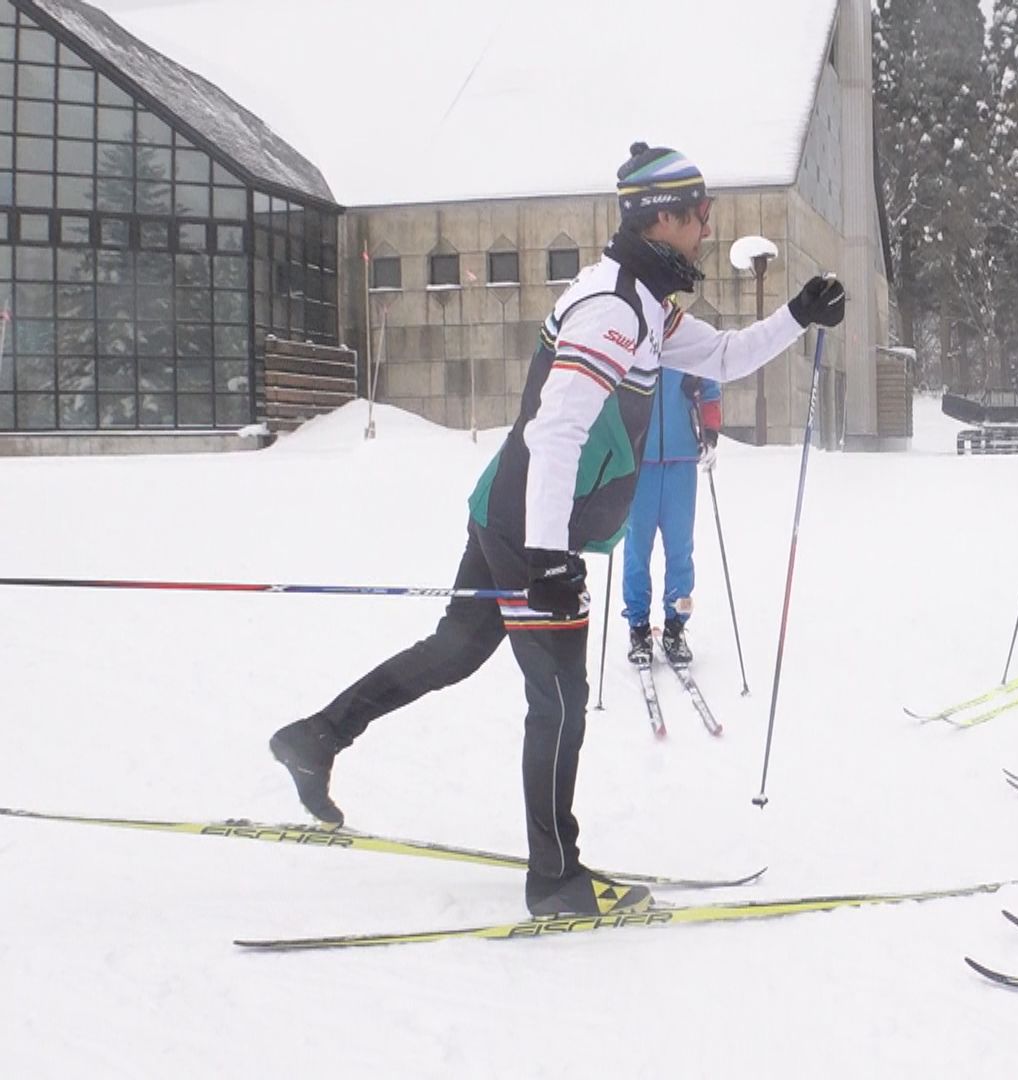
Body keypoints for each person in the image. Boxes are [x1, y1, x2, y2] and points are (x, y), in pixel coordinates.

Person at [268, 142, 846, 918]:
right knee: (562, 700)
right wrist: (547, 557)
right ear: (661, 218)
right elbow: (556, 433)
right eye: (700, 215)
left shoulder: (642, 303)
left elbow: (723, 355)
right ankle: (556, 879)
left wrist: (796, 315)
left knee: (457, 651)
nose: (708, 228)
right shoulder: (611, 311)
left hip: (511, 510)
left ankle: (317, 737)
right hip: (531, 528)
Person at [623, 362, 723, 668]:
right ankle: (638, 626)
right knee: (637, 547)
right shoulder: (635, 337)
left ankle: (675, 626)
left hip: (681, 458)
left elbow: (710, 387)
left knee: (681, 549)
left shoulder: (687, 338)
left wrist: (711, 433)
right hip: (640, 460)